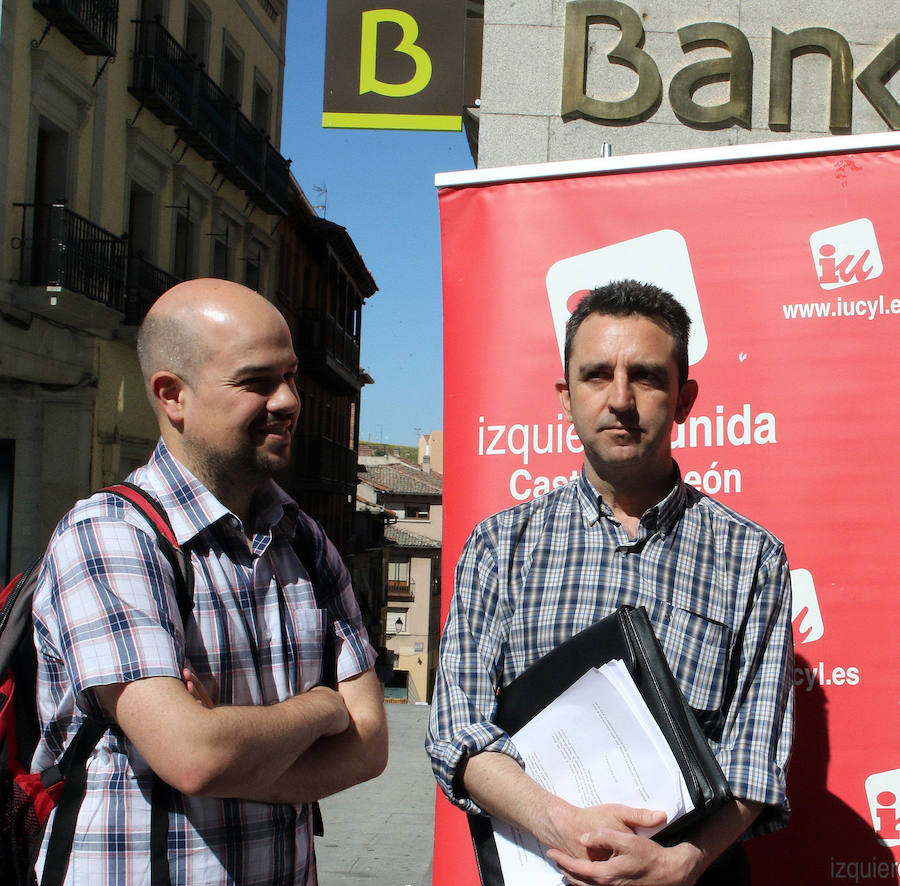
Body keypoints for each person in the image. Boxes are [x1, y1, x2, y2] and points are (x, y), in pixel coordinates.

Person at [426, 279, 793, 885]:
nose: (620, 399)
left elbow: (753, 757)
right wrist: (559, 823)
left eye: (645, 376)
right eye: (597, 375)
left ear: (684, 398)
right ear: (565, 397)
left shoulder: (751, 557)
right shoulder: (499, 547)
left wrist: (682, 864)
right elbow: (456, 732)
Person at [31, 279, 388, 885]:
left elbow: (368, 746)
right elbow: (194, 756)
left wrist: (229, 748)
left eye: (292, 376)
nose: (288, 400)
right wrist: (323, 707)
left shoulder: (304, 541)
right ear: (172, 395)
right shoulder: (110, 536)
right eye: (256, 382)